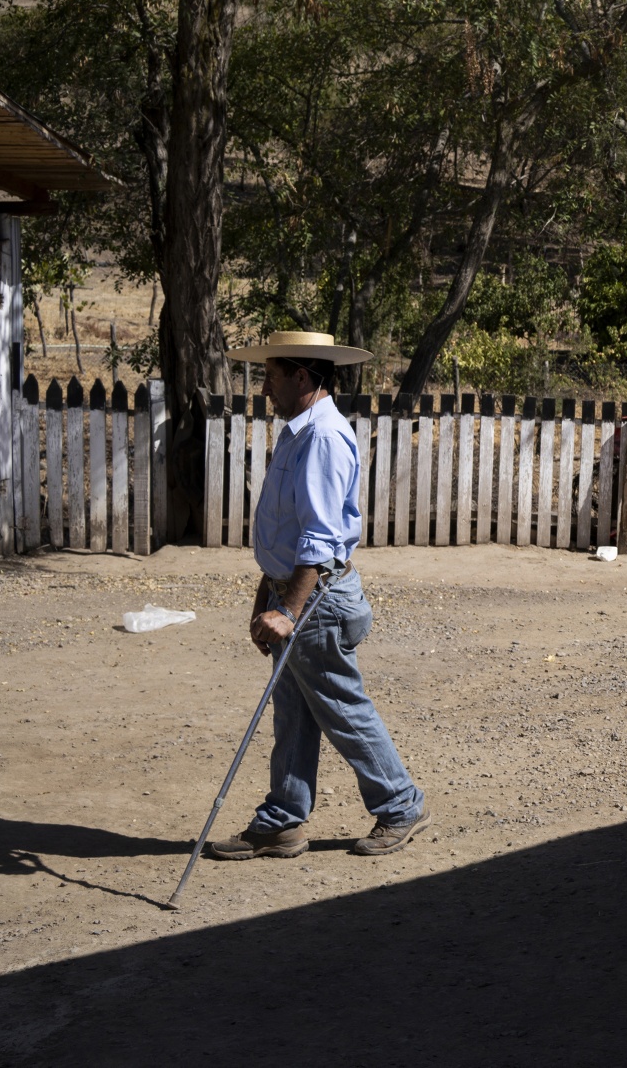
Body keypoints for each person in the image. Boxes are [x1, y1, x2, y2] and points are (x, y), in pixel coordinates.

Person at [207, 331, 431, 860]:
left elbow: (320, 538)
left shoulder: (323, 437)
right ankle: (282, 820)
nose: (265, 389)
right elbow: (288, 533)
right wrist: (267, 598)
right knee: (294, 711)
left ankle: (401, 804)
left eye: (271, 376)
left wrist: (288, 609)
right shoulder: (299, 431)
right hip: (296, 595)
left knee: (341, 708)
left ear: (302, 376)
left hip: (317, 602)